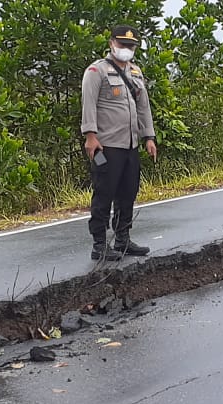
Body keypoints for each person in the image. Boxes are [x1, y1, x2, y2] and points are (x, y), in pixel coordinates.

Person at [81, 24, 158, 261]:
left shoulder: (135, 73)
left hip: (130, 144)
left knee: (128, 192)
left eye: (130, 46)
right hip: (108, 144)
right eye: (122, 44)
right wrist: (90, 136)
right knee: (104, 193)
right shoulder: (97, 71)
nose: (126, 49)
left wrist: (149, 137)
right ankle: (100, 244)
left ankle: (123, 238)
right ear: (111, 43)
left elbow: (143, 108)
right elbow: (89, 104)